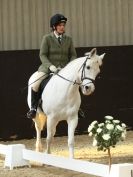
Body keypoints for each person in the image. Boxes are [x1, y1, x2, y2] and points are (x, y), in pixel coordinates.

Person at [27, 13, 77, 119]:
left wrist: (68, 67)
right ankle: (33, 108)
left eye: (63, 25)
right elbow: (42, 55)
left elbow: (73, 55)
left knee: (76, 82)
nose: (62, 27)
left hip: (64, 69)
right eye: (60, 25)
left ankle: (77, 108)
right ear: (54, 26)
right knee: (35, 84)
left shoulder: (68, 39)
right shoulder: (47, 38)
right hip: (48, 68)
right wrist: (50, 66)